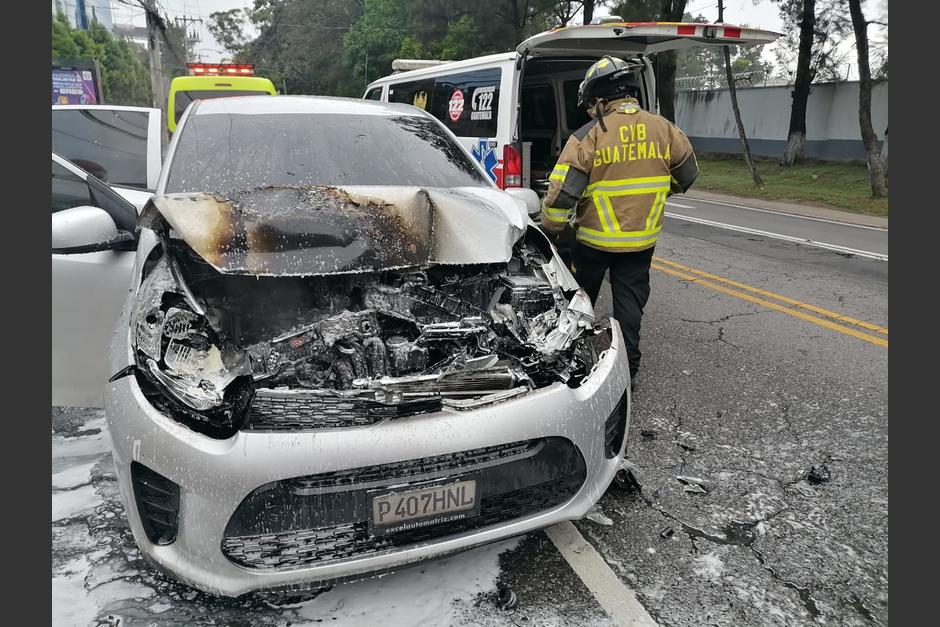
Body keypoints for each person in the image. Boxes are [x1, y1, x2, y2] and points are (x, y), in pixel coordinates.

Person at [540, 55, 699, 386]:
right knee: (630, 308)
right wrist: (655, 195)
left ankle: (570, 364)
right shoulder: (665, 129)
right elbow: (686, 175)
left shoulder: (589, 135)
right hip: (641, 242)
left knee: (578, 304)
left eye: (590, 104)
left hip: (593, 243)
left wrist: (551, 231)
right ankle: (626, 373)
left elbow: (562, 196)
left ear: (599, 99)